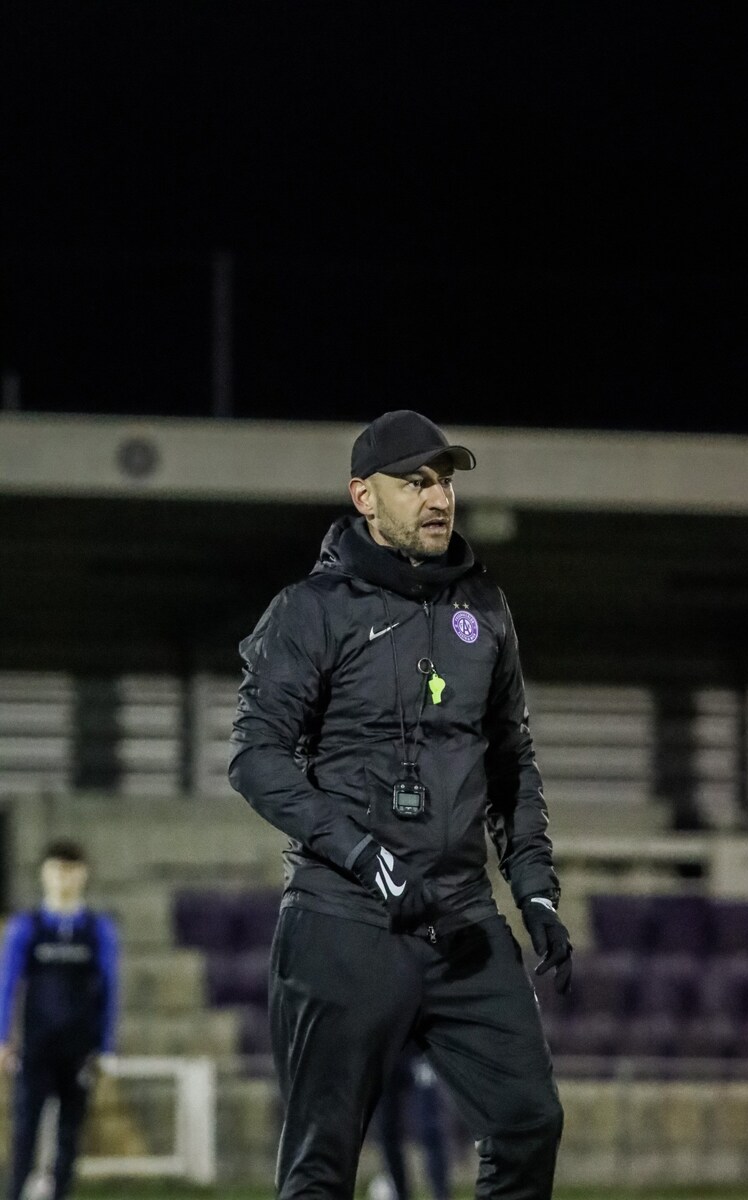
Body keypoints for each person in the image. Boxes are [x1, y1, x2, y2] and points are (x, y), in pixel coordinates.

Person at [229, 409, 572, 1200]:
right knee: (322, 1165)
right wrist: (362, 854)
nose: (438, 497)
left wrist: (536, 889)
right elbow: (256, 760)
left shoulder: (484, 608)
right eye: (414, 482)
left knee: (529, 1122)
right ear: (363, 496)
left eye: (445, 479)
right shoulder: (310, 611)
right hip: (344, 922)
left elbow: (511, 760)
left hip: (461, 918)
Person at [0, 840, 119, 1200]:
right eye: (56, 870)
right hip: (36, 1050)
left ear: (83, 874)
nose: (63, 878)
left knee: (69, 1138)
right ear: (43, 874)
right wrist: (3, 1040)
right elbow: (7, 985)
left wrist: (106, 1047)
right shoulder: (28, 926)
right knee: (25, 1134)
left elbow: (110, 988)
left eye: (70, 870)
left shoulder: (98, 929)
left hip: (78, 1051)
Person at [371, 1047, 451, 1200]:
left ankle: (441, 1194)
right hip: (387, 1051)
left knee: (430, 1127)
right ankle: (399, 1192)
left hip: (419, 1050)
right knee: (387, 1130)